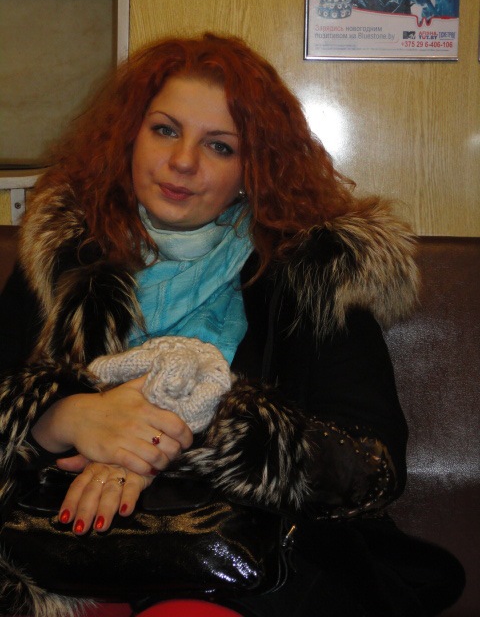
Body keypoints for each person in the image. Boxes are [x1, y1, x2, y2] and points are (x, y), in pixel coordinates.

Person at [0, 33, 465, 617]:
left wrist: (182, 437)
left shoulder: (316, 272)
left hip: (242, 568)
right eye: (164, 130)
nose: (183, 161)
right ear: (128, 137)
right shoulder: (63, 254)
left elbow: (371, 467)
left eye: (219, 146)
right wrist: (61, 418)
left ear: (252, 169)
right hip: (52, 560)